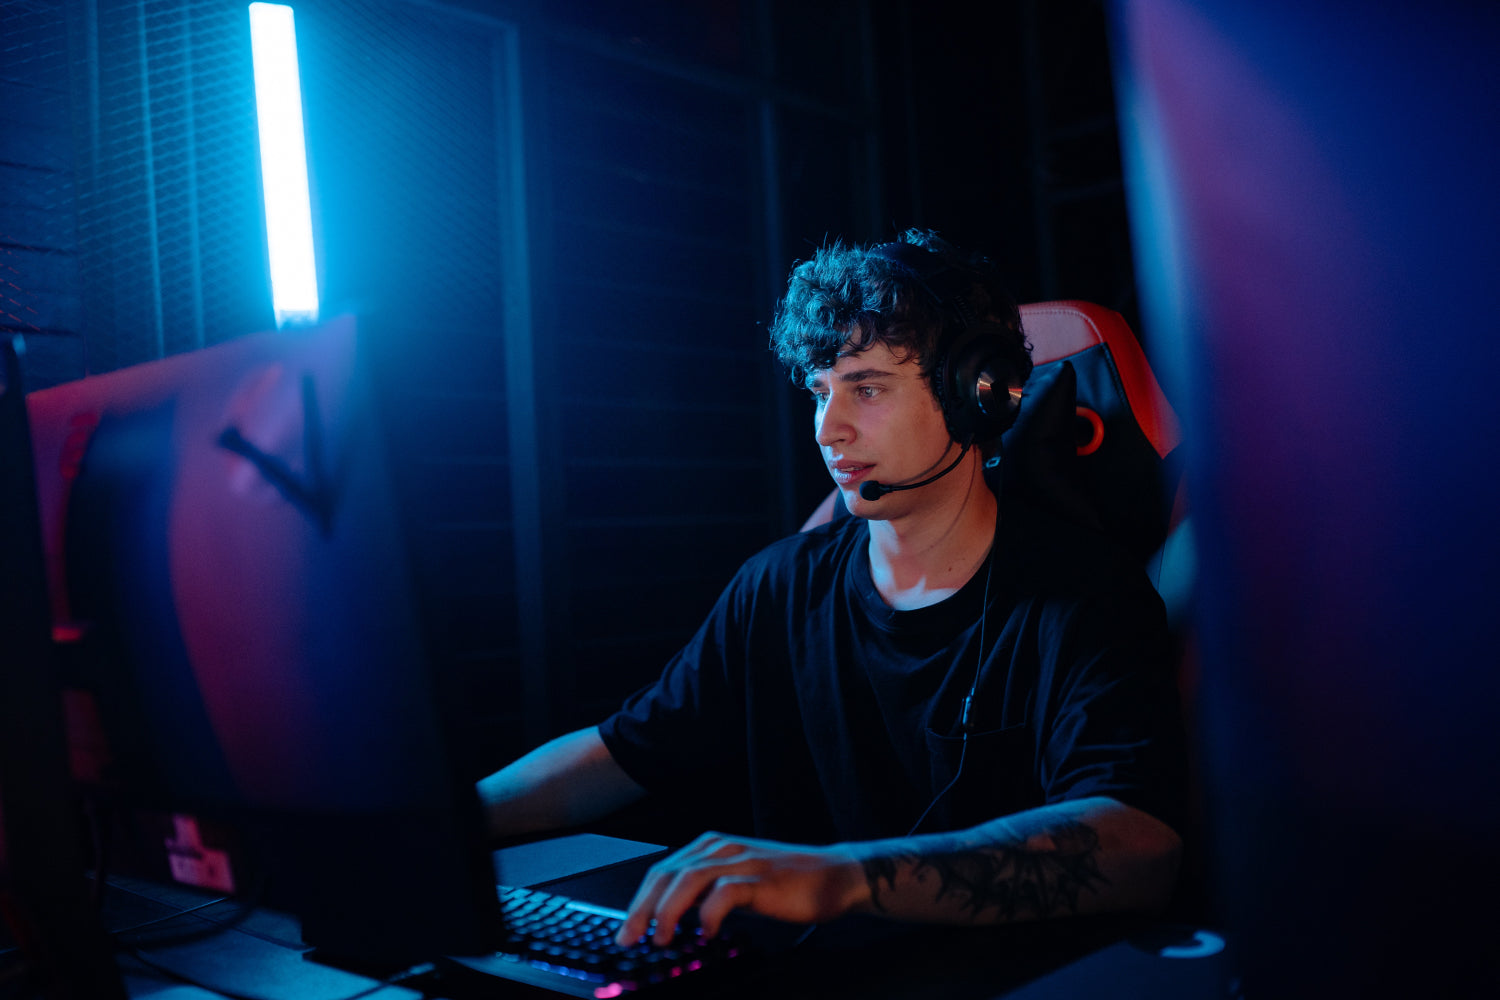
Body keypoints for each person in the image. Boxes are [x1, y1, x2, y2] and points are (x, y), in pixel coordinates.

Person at [477, 229, 1187, 950]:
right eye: (821, 391)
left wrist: (842, 877)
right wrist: (441, 825)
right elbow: (621, 753)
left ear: (977, 397)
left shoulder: (1085, 590)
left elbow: (1139, 845)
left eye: (867, 389)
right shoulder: (778, 585)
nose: (829, 428)